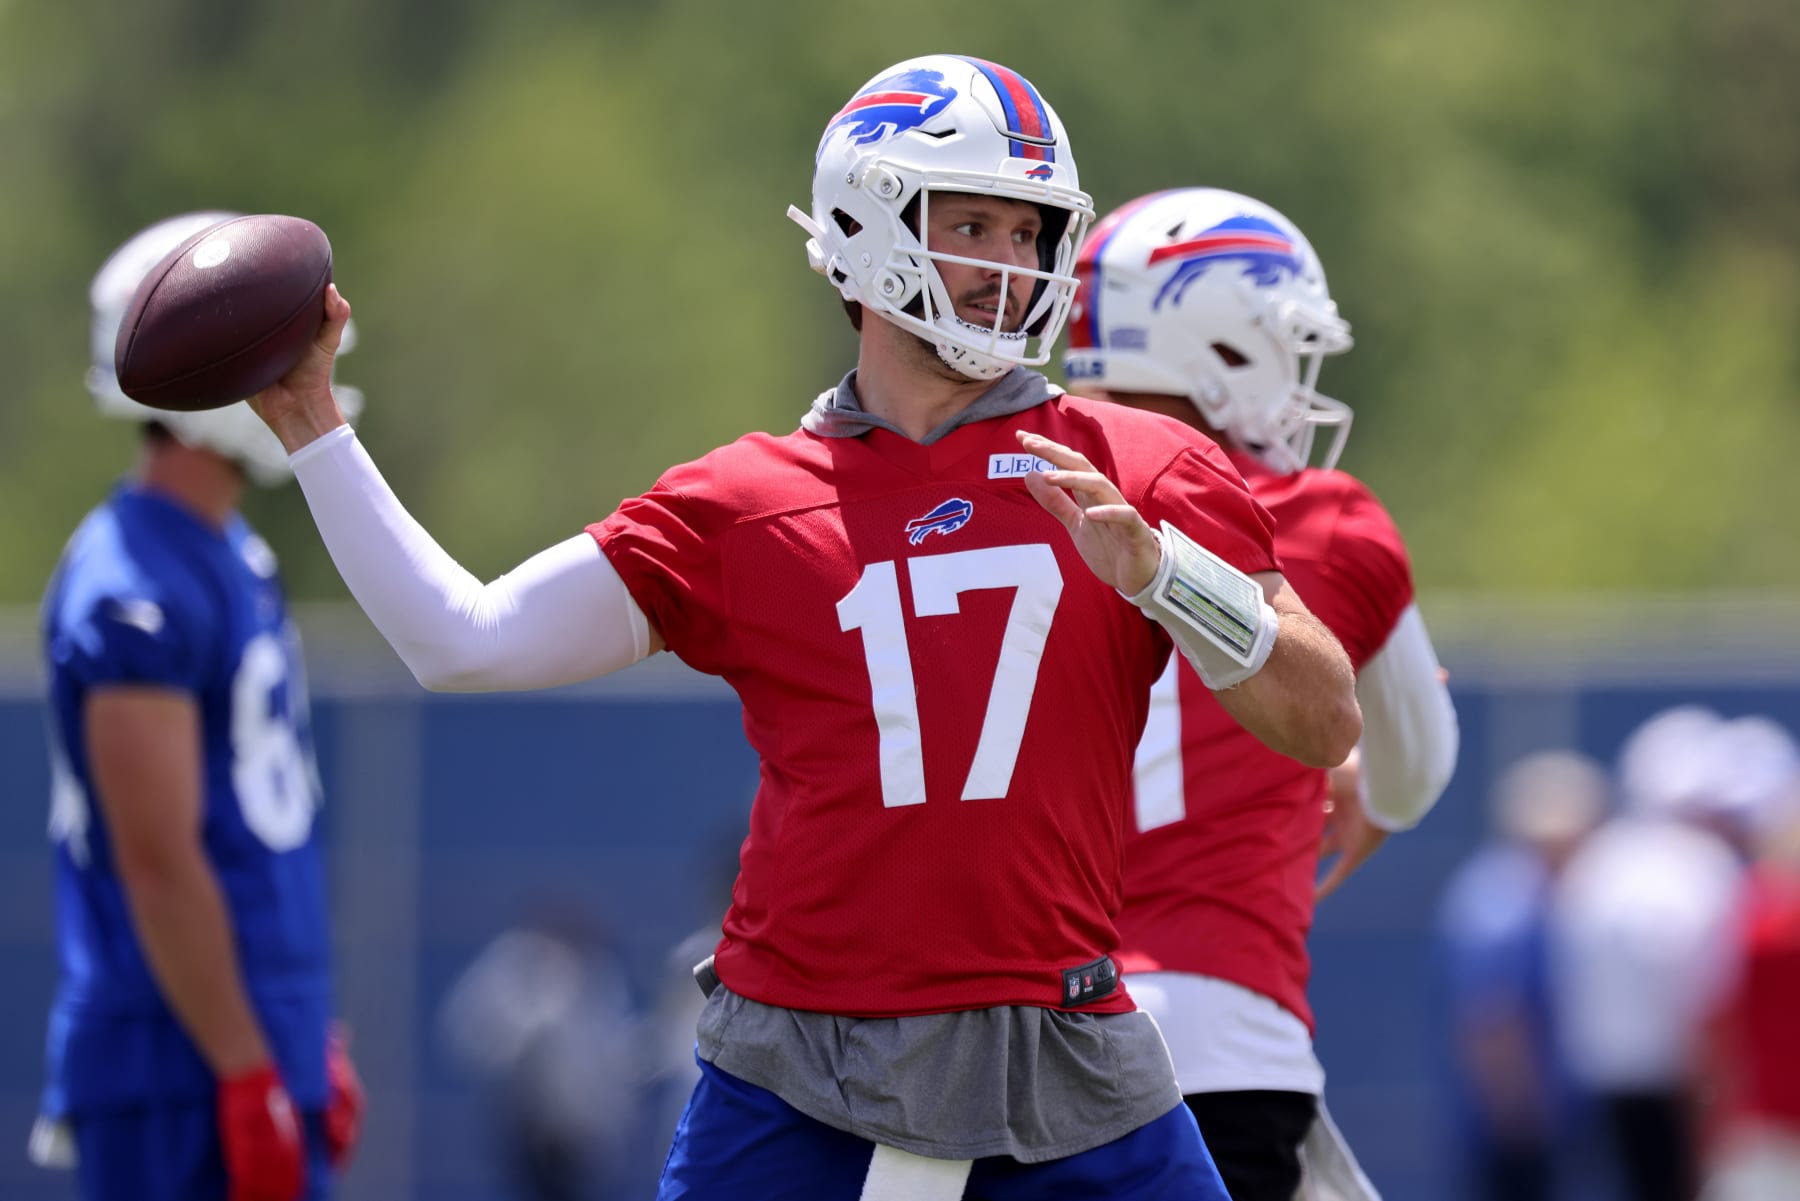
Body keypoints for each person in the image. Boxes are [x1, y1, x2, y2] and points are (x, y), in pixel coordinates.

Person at [246, 55, 1360, 1200]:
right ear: (864, 231)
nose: (1010, 263)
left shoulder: (1140, 467)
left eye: (1029, 232)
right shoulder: (747, 502)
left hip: (1063, 1056)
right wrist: (313, 424)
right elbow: (462, 639)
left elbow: (1324, 719)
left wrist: (1165, 572)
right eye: (972, 222)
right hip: (804, 1065)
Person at [1063, 186, 1459, 1201]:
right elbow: (1415, 772)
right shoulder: (1321, 520)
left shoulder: (1005, 507)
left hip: (1016, 1035)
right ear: (1221, 347)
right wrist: (1369, 786)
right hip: (1221, 1036)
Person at [34, 213, 365, 1201]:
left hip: (249, 1031)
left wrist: (305, 1033)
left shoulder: (224, 549)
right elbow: (158, 855)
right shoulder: (130, 581)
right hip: (175, 1056)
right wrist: (244, 1062)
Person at [1550, 706, 1747, 1201]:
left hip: (1601, 1079)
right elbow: (1705, 992)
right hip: (1683, 1082)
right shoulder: (1703, 865)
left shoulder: (1601, 858)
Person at [1437, 751, 1609, 1201]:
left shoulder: (1520, 891)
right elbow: (1492, 1021)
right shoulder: (1505, 904)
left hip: (1538, 1121)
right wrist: (1523, 1122)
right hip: (1519, 1128)